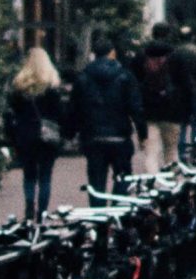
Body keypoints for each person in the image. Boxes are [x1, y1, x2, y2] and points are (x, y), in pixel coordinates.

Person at [69, 30, 145, 196]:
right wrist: (142, 133)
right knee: (123, 177)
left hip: (93, 136)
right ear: (112, 53)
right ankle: (120, 210)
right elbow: (135, 107)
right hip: (120, 135)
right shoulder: (125, 76)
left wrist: (70, 132)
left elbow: (74, 108)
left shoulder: (83, 77)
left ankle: (99, 214)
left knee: (96, 181)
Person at [5, 45, 66, 224]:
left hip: (26, 135)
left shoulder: (20, 87)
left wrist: (12, 136)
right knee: (45, 175)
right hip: (48, 137)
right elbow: (60, 113)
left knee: (29, 174)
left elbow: (12, 112)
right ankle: (43, 213)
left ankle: (30, 208)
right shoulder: (52, 87)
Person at [137, 23, 184, 167]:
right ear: (168, 34)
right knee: (171, 151)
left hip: (149, 110)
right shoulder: (176, 55)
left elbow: (134, 83)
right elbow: (184, 84)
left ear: (153, 33)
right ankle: (172, 184)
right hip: (172, 111)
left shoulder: (141, 55)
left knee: (151, 153)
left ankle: (152, 182)